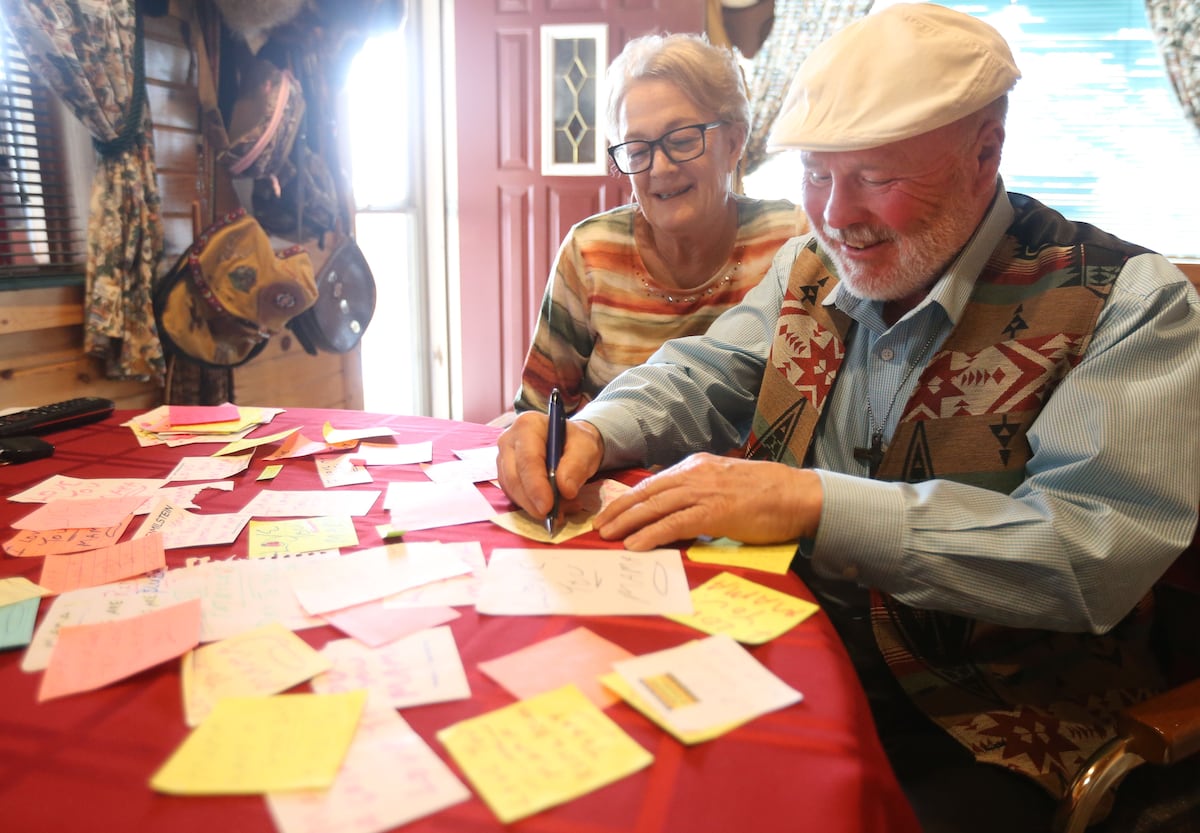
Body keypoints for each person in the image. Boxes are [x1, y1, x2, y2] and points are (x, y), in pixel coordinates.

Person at [497, 4, 1200, 831]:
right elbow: (706, 371)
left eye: (876, 177)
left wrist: (814, 503)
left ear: (986, 151)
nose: (836, 215)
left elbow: (1088, 552)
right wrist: (595, 427)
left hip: (988, 713)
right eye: (817, 176)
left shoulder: (1129, 302)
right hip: (779, 637)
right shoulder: (813, 263)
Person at [513, 32, 807, 416]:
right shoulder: (591, 252)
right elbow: (540, 410)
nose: (661, 168)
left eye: (683, 140)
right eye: (637, 149)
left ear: (734, 143)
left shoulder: (792, 241)